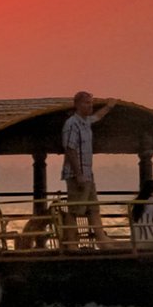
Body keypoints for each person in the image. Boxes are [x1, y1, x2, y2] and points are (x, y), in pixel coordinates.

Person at [61, 91, 115, 242]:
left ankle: (102, 240)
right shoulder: (72, 123)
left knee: (93, 208)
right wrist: (78, 174)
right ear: (77, 105)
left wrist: (108, 107)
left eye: (91, 103)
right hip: (75, 174)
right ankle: (71, 244)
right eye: (86, 103)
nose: (90, 106)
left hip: (88, 174)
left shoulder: (85, 122)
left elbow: (97, 117)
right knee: (75, 210)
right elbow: (70, 149)